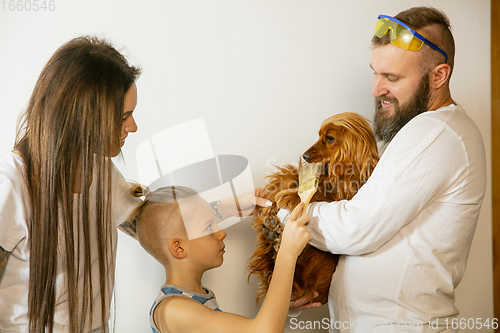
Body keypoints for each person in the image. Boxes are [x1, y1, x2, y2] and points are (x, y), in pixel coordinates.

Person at [0, 36, 269, 333]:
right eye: (123, 116)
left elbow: (153, 224)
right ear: (82, 116)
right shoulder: (10, 185)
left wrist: (229, 206)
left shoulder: (100, 173)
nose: (133, 127)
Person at [288, 6, 487, 332]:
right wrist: (327, 283)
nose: (375, 89)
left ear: (438, 76)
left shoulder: (434, 134)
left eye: (392, 77)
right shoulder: (427, 131)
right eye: (375, 72)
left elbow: (356, 229)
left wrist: (283, 211)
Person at [133, 186, 311, 333]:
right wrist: (287, 251)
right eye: (208, 226)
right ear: (179, 248)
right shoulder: (173, 309)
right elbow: (263, 331)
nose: (222, 232)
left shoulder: (199, 296)